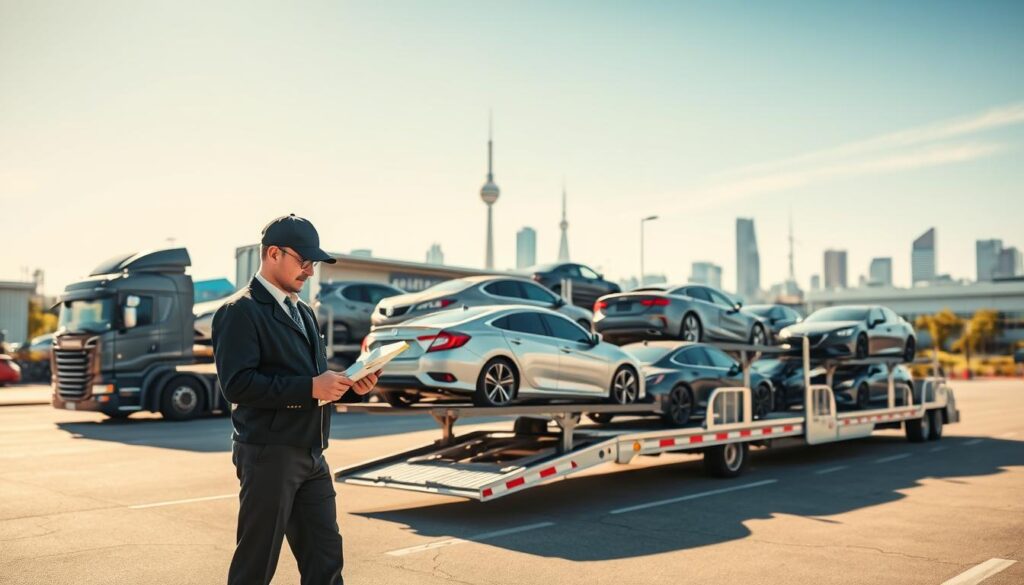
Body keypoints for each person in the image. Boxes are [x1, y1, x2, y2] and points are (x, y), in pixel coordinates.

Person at [212, 214, 378, 585]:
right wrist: (310, 389)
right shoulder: (239, 311)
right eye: (304, 261)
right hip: (269, 455)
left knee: (326, 561)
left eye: (313, 263)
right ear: (273, 253)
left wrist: (350, 382)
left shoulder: (303, 311)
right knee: (256, 567)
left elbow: (311, 374)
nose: (310, 271)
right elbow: (237, 386)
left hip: (312, 452)